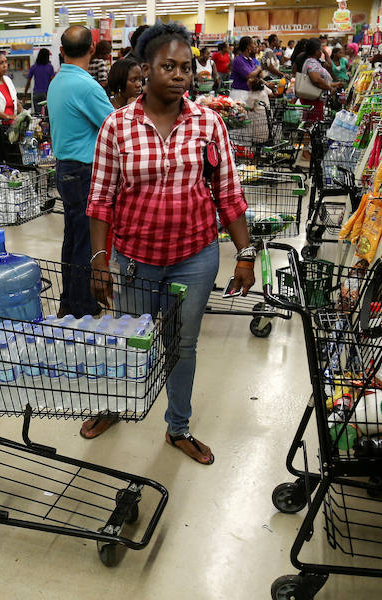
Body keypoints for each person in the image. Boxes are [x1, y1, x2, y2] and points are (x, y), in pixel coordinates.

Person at [86, 23, 254, 460]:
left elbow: (228, 193)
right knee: (128, 338)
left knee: (181, 344)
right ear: (145, 69)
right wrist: (100, 260)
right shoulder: (117, 126)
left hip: (194, 258)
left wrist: (245, 254)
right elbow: (101, 198)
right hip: (134, 259)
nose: (180, 75)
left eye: (186, 67)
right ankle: (113, 405)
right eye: (169, 66)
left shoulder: (208, 123)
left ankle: (178, 427)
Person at [46, 25, 114, 324]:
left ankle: (69, 302)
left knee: (73, 239)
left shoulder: (58, 81)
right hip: (84, 172)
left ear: (62, 51)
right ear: (92, 49)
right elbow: (113, 127)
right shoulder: (87, 86)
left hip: (65, 169)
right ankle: (82, 306)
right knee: (86, 241)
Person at [297, 37, 344, 122]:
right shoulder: (311, 62)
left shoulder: (314, 61)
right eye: (320, 49)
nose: (321, 51)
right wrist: (330, 88)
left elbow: (322, 80)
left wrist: (335, 84)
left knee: (313, 122)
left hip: (314, 99)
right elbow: (316, 80)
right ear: (315, 51)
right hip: (312, 99)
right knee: (313, 122)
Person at [229, 36, 263, 104]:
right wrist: (258, 69)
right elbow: (248, 75)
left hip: (249, 93)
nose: (255, 46)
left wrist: (265, 83)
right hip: (240, 94)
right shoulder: (239, 60)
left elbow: (259, 75)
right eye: (253, 44)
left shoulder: (250, 60)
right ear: (248, 47)